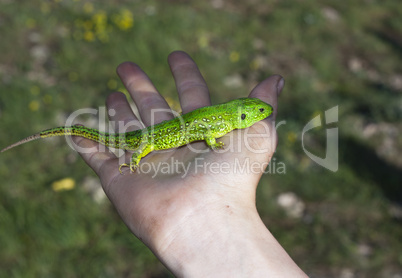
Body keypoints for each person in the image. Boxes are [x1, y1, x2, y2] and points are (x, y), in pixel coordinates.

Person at [72, 51, 308, 277]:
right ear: (242, 114)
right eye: (257, 111)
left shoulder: (228, 119)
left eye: (260, 111)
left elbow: (207, 129)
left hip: (164, 133)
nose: (263, 113)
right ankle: (124, 152)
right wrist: (212, 144)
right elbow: (207, 133)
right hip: (149, 139)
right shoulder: (225, 123)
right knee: (142, 144)